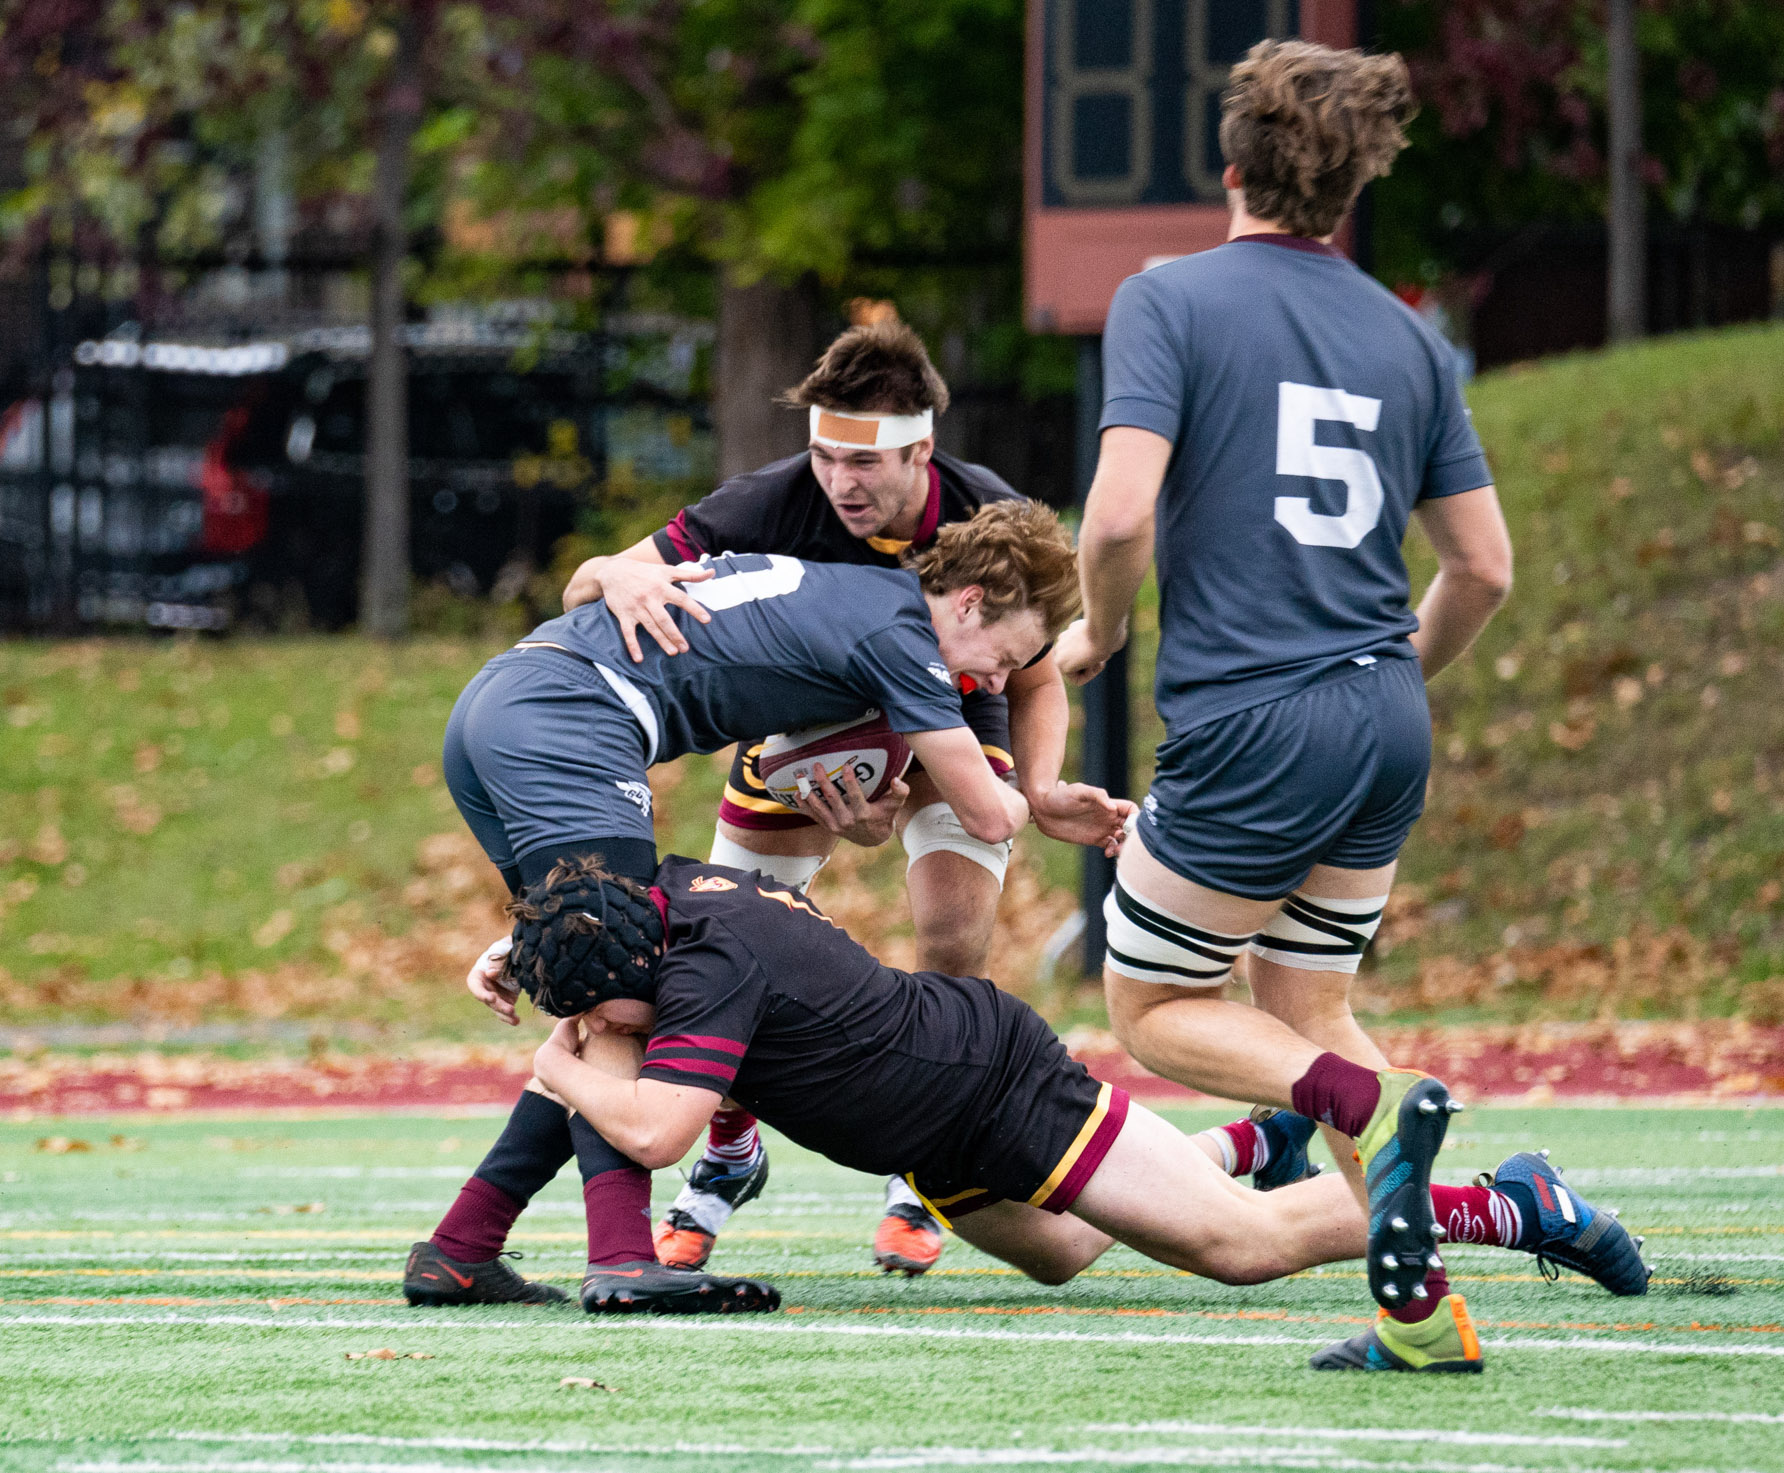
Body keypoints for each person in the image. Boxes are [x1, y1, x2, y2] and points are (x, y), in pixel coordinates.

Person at [1052, 40, 1649, 1371]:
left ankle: (1374, 1111)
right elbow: (1484, 567)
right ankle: (1422, 1318)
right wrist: (1380, 686)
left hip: (1254, 722)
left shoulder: (1168, 299)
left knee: (1151, 1009)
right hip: (1386, 714)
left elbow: (1120, 511)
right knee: (1308, 1008)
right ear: (1353, 187)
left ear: (1230, 169)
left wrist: (1098, 628)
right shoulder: (1410, 336)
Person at [445, 853, 1648, 1373]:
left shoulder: (707, 974)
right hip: (932, 1123)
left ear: (638, 974)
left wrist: (558, 1067)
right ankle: (1241, 1142)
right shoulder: (648, 900)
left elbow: (653, 1134)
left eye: (602, 1013)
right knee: (1068, 1252)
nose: (601, 1032)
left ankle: (1508, 1204)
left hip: (987, 1087)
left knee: (1238, 1247)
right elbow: (588, 916)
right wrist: (527, 954)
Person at [416, 502, 1123, 1310]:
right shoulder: (902, 634)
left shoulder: (854, 594)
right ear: (966, 602)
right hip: (573, 716)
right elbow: (989, 815)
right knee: (624, 990)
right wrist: (1046, 800)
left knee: (591, 967)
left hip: (502, 700)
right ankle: (617, 1257)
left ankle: (462, 1247)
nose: (994, 683)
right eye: (1004, 656)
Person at [558, 320, 1124, 1276]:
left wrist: (1034, 785)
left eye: (865, 464)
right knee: (715, 947)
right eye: (824, 455)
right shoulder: (773, 498)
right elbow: (590, 586)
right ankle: (730, 1152)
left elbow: (1029, 675)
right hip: (807, 738)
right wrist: (614, 568)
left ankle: (929, 1164)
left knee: (952, 928)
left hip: (950, 729)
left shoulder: (985, 517)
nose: (840, 482)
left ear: (924, 451)